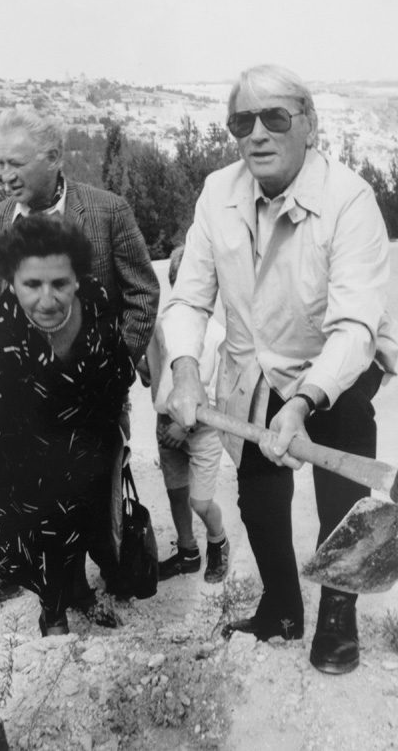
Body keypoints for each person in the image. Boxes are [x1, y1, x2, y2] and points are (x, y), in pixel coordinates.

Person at [162, 64, 398, 675]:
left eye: (275, 118)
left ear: (309, 125)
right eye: (244, 121)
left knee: (341, 498)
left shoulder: (350, 199)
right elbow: (190, 297)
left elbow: (353, 328)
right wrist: (186, 370)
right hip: (256, 364)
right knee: (261, 500)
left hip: (337, 366)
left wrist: (303, 402)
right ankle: (283, 610)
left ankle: (338, 617)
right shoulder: (218, 192)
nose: (258, 135)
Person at [0, 107, 159, 612]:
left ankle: (89, 577)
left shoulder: (105, 210)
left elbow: (143, 291)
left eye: (17, 163)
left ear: (54, 159)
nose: (5, 175)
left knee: (90, 487)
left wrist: (118, 363)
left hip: (91, 391)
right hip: (17, 390)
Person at [0, 216, 135, 635]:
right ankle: (53, 613)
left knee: (87, 519)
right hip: (29, 452)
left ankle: (81, 592)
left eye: (60, 283)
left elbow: (118, 368)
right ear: (11, 282)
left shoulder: (98, 301)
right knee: (43, 531)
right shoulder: (2, 328)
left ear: (78, 279)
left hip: (91, 441)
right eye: (32, 285)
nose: (47, 300)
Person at [139, 244, 229, 584]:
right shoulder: (162, 327)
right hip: (167, 425)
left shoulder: (219, 336)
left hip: (202, 429)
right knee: (176, 493)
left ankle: (218, 543)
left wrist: (185, 428)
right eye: (180, 282)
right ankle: (188, 552)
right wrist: (139, 361)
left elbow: (216, 399)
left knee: (200, 502)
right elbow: (156, 376)